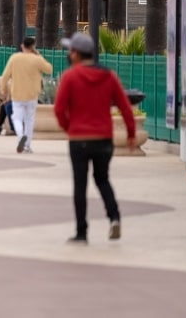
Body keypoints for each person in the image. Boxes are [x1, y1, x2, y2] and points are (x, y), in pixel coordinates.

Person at [53, 32, 135, 245]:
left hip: (79, 139)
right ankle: (114, 217)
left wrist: (68, 127)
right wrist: (131, 134)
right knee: (102, 179)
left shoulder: (70, 76)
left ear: (77, 54)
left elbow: (59, 109)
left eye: (70, 50)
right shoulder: (108, 76)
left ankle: (82, 232)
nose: (68, 54)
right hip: (103, 139)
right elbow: (125, 106)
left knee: (80, 185)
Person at [0, 37, 53, 154]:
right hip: (32, 94)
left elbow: (5, 75)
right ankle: (27, 145)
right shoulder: (36, 59)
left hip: (17, 94)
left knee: (16, 118)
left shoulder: (15, 58)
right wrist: (38, 55)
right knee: (29, 120)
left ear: (22, 46)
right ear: (33, 46)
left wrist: (3, 89)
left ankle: (20, 135)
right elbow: (49, 69)